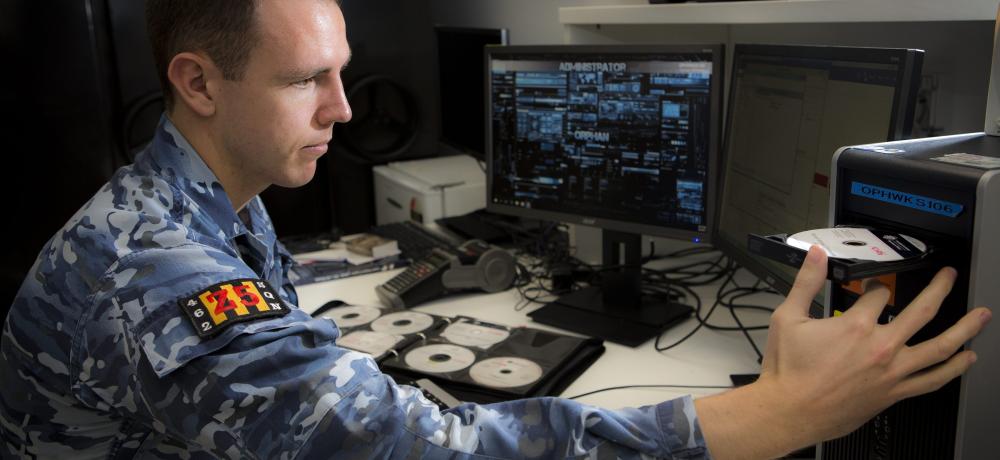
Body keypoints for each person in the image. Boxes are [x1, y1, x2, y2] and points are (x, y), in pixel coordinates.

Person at [0, 0, 990, 458]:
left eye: (342, 69)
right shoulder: (159, 268)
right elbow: (423, 451)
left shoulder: (222, 199)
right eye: (308, 79)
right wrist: (769, 417)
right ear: (198, 83)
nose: (346, 110)